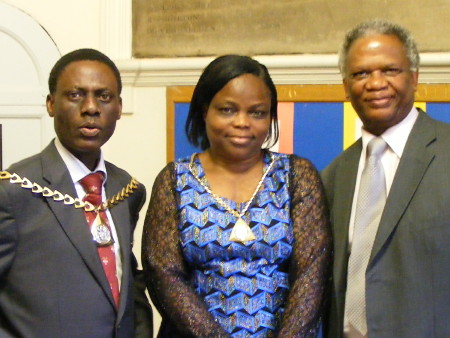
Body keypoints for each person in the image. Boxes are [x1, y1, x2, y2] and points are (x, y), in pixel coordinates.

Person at [142, 54, 331, 337]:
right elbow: (163, 273)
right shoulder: (175, 178)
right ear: (205, 110)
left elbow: (312, 273)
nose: (242, 122)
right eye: (228, 110)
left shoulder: (296, 176)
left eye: (257, 112)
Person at [0, 48, 153, 337]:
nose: (91, 108)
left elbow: (127, 281)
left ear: (119, 107)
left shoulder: (127, 189)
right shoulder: (13, 191)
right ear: (51, 104)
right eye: (75, 95)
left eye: (104, 97)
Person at [322, 19, 450, 338]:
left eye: (390, 70)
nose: (375, 83)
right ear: (345, 85)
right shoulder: (333, 176)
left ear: (415, 77)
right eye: (361, 73)